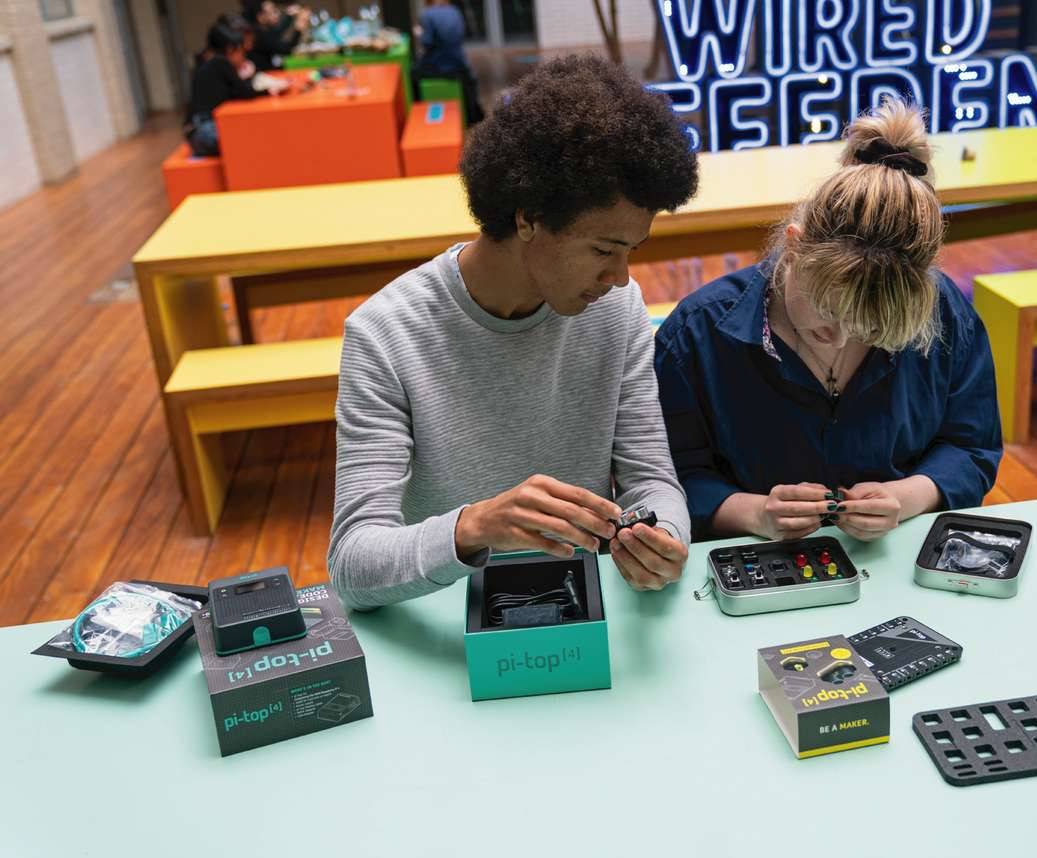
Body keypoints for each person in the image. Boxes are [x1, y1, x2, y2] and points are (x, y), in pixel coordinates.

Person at [327, 55, 700, 611]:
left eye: (631, 250)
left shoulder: (616, 310)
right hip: (443, 619)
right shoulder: (384, 335)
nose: (620, 277)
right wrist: (474, 527)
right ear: (527, 218)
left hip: (577, 607)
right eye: (603, 249)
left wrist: (663, 535)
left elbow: (651, 480)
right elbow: (352, 564)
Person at [654, 98, 1002, 544]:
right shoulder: (696, 336)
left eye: (871, 330)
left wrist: (907, 497)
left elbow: (972, 446)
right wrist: (753, 513)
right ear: (794, 248)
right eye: (828, 314)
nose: (840, 340)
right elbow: (667, 475)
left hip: (896, 556)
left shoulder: (945, 314)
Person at [184, 23, 266, 156]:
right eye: (241, 52)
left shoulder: (208, 64)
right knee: (252, 141)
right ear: (230, 50)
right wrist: (268, 90)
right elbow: (245, 92)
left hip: (196, 132)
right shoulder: (221, 62)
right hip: (204, 131)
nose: (243, 57)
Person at [412, 0, 484, 125]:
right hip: (459, 63)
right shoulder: (454, 11)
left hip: (440, 65)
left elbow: (427, 42)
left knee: (413, 74)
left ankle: (419, 117)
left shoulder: (427, 15)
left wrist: (419, 33)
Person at [243, 0, 309, 71]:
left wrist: (290, 17)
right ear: (260, 17)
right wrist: (297, 30)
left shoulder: (265, 31)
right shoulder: (259, 34)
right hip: (265, 73)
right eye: (272, 12)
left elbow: (277, 32)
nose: (277, 13)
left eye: (275, 10)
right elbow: (286, 49)